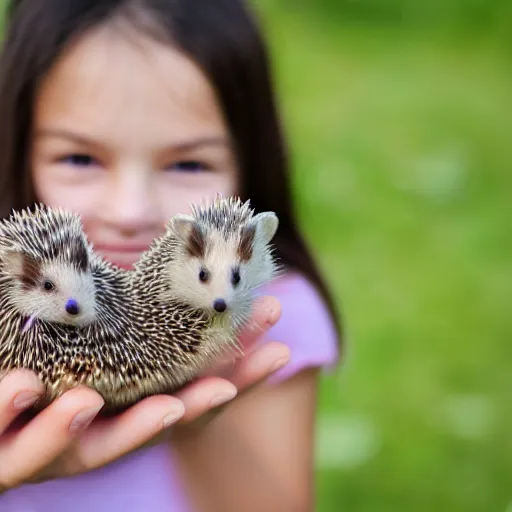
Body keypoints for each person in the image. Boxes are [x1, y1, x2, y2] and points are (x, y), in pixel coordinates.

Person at [0, 0, 342, 510]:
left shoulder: (274, 315)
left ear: (251, 163)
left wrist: (193, 405)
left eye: (188, 163)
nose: (131, 211)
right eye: (79, 157)